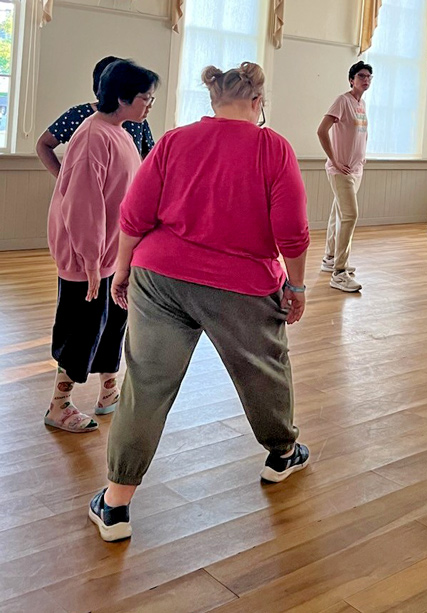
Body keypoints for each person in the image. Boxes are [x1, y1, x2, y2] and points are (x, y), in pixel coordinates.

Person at [87, 62, 310, 542]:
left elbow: (134, 215)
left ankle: (115, 504)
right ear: (258, 102)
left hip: (160, 275)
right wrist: (296, 286)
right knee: (263, 372)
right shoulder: (274, 148)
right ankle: (281, 454)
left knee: (145, 383)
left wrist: (123, 270)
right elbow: (292, 232)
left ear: (213, 102)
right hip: (241, 285)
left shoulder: (174, 141)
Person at [45, 60, 159, 434]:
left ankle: (109, 392)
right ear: (122, 97)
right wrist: (91, 262)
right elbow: (83, 205)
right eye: (145, 98)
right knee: (81, 329)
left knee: (113, 324)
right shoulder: (93, 136)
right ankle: (59, 406)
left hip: (111, 254)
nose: (149, 105)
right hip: (87, 259)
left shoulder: (121, 131)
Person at [36, 56, 156, 177]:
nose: (148, 105)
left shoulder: (136, 118)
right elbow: (43, 144)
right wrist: (62, 177)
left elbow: (148, 155)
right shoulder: (81, 117)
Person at [317, 61, 371, 292]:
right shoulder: (343, 101)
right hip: (341, 171)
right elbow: (321, 130)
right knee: (350, 215)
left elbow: (359, 136)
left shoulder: (362, 104)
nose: (365, 80)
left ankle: (330, 258)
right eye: (361, 76)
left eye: (369, 76)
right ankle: (339, 272)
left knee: (337, 213)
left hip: (356, 170)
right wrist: (335, 160)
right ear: (351, 79)